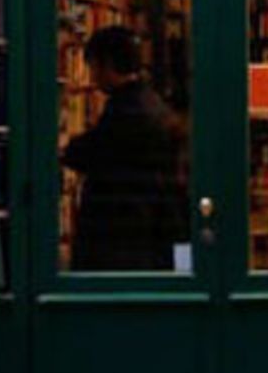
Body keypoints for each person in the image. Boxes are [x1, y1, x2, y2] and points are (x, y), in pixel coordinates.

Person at [62, 26, 185, 271]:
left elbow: (86, 152)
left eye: (93, 66)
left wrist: (65, 145)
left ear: (107, 64)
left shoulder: (126, 110)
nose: (92, 77)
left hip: (123, 236)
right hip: (146, 232)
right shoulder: (149, 101)